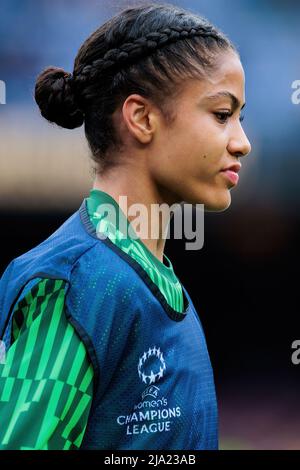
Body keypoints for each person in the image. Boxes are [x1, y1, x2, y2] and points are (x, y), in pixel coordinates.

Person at [0, 2, 251, 450]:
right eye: (221, 114)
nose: (242, 142)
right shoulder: (76, 285)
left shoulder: (153, 284)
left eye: (241, 117)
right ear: (142, 118)